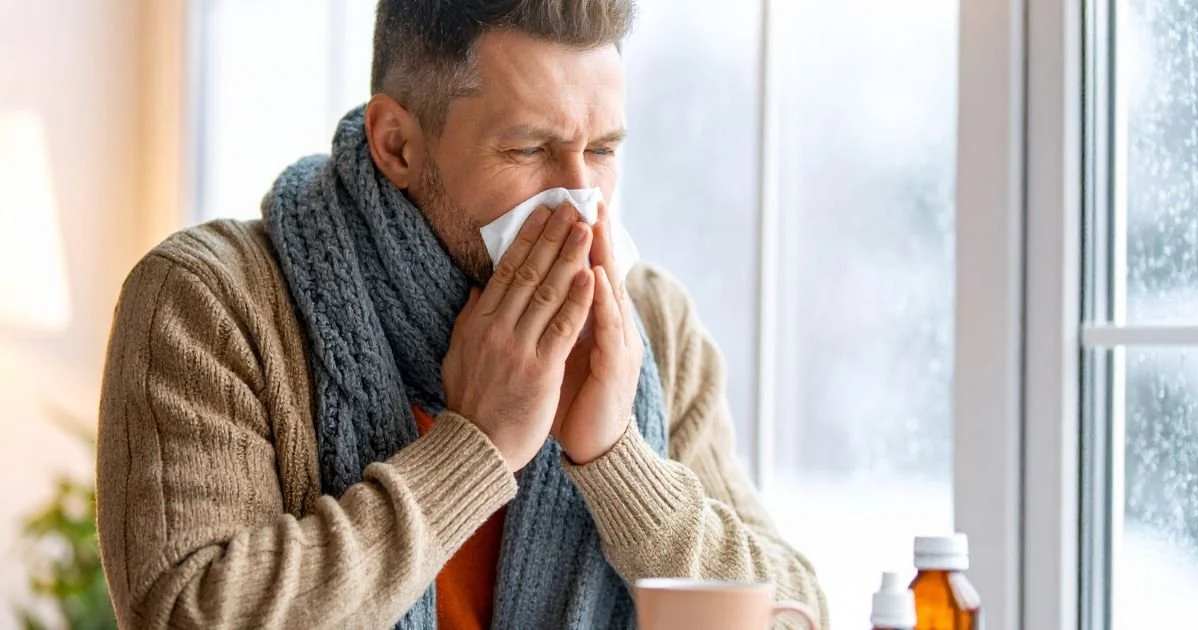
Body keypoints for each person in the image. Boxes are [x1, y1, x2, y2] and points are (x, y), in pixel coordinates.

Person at [95, 1, 828, 628]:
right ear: (397, 144)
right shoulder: (209, 301)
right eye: (531, 149)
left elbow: (797, 612)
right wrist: (474, 449)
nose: (581, 202)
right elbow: (190, 615)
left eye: (601, 150)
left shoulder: (650, 326)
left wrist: (616, 459)